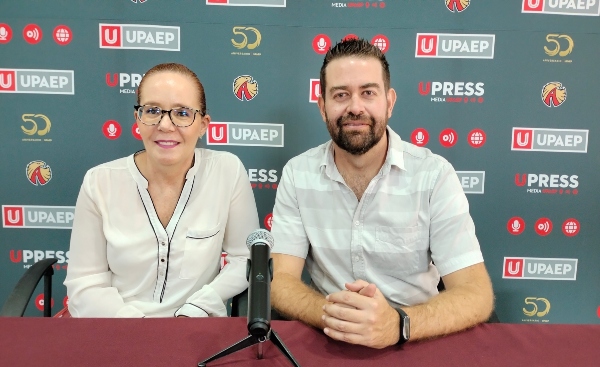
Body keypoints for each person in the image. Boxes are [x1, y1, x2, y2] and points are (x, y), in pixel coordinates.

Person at [270, 39, 494, 348]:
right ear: (322, 107)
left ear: (389, 102)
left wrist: (397, 324)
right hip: (329, 337)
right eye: (340, 95)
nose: (355, 107)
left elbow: (476, 293)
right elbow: (280, 281)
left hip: (414, 339)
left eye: (368, 93)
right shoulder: (298, 174)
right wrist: (339, 317)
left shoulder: (434, 175)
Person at [65, 63, 259, 317]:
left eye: (182, 113)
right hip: (120, 326)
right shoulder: (99, 182)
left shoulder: (227, 171)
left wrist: (200, 305)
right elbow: (85, 285)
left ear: (203, 124)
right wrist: (136, 326)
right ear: (138, 119)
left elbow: (245, 258)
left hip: (197, 326)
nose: (165, 125)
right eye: (153, 110)